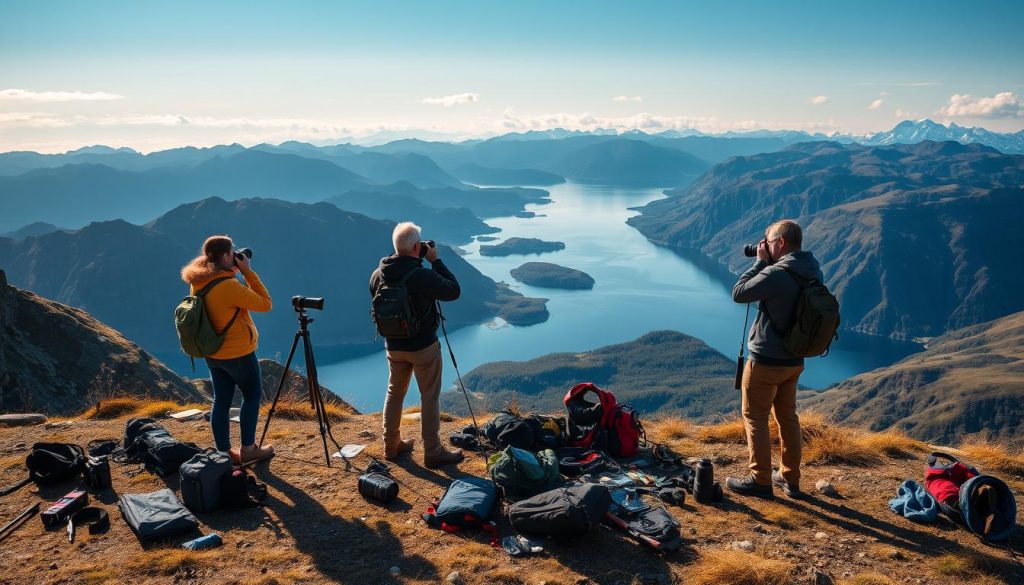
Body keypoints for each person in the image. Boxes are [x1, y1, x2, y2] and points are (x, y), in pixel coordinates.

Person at [727, 219, 823, 499]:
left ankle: (760, 480)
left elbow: (739, 293)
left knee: (754, 416)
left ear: (780, 243)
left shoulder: (776, 274)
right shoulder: (812, 269)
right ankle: (790, 479)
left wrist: (759, 263)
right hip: (794, 360)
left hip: (766, 361)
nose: (764, 247)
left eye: (767, 242)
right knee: (787, 417)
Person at [369, 222, 464, 468]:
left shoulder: (378, 274)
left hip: (393, 346)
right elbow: (453, 290)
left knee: (394, 392)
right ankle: (432, 452)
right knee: (429, 397)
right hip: (423, 347)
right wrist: (435, 260)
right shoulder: (422, 275)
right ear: (416, 247)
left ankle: (391, 446)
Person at [180, 235, 274, 466]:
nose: (235, 255)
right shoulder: (228, 286)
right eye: (232, 252)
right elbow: (265, 303)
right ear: (224, 256)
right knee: (251, 396)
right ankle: (249, 449)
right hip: (238, 353)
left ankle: (224, 454)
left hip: (213, 352)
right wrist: (248, 272)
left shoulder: (199, 281)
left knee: (221, 400)